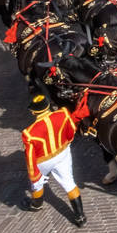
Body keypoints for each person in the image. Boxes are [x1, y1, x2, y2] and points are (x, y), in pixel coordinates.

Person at [22, 91, 85, 225]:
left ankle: (37, 204)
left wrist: (35, 176)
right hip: (62, 154)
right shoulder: (63, 114)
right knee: (69, 183)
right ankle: (80, 217)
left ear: (33, 112)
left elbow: (30, 158)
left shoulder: (29, 133)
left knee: (37, 184)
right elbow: (71, 130)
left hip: (44, 161)